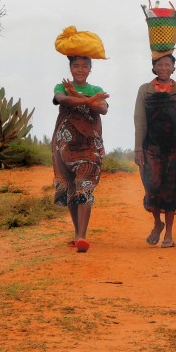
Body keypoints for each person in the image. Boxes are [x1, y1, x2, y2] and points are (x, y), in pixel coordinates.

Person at [134, 54, 176, 248]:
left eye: (167, 64)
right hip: (151, 147)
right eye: (159, 64)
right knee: (152, 186)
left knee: (171, 190)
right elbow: (139, 121)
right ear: (154, 67)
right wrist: (138, 148)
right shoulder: (145, 90)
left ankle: (169, 233)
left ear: (173, 68)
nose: (164, 68)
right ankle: (157, 223)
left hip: (175, 148)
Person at [52, 55, 110, 253]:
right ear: (70, 68)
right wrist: (85, 99)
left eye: (84, 66)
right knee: (70, 188)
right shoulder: (60, 87)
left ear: (90, 69)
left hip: (90, 146)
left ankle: (82, 236)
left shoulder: (97, 89)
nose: (80, 69)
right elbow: (63, 100)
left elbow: (102, 109)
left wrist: (80, 94)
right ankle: (77, 233)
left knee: (84, 185)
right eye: (76, 65)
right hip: (65, 146)